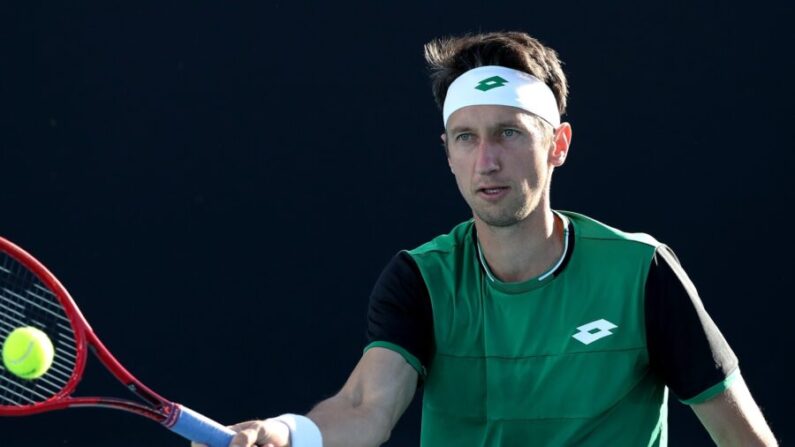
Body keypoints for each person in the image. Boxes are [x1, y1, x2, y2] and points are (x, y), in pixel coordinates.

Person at [201, 31, 778, 447]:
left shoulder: (641, 272)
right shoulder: (421, 280)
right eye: (465, 138)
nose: (487, 162)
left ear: (559, 145)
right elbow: (364, 408)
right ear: (447, 153)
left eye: (508, 134)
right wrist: (284, 433)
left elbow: (745, 439)